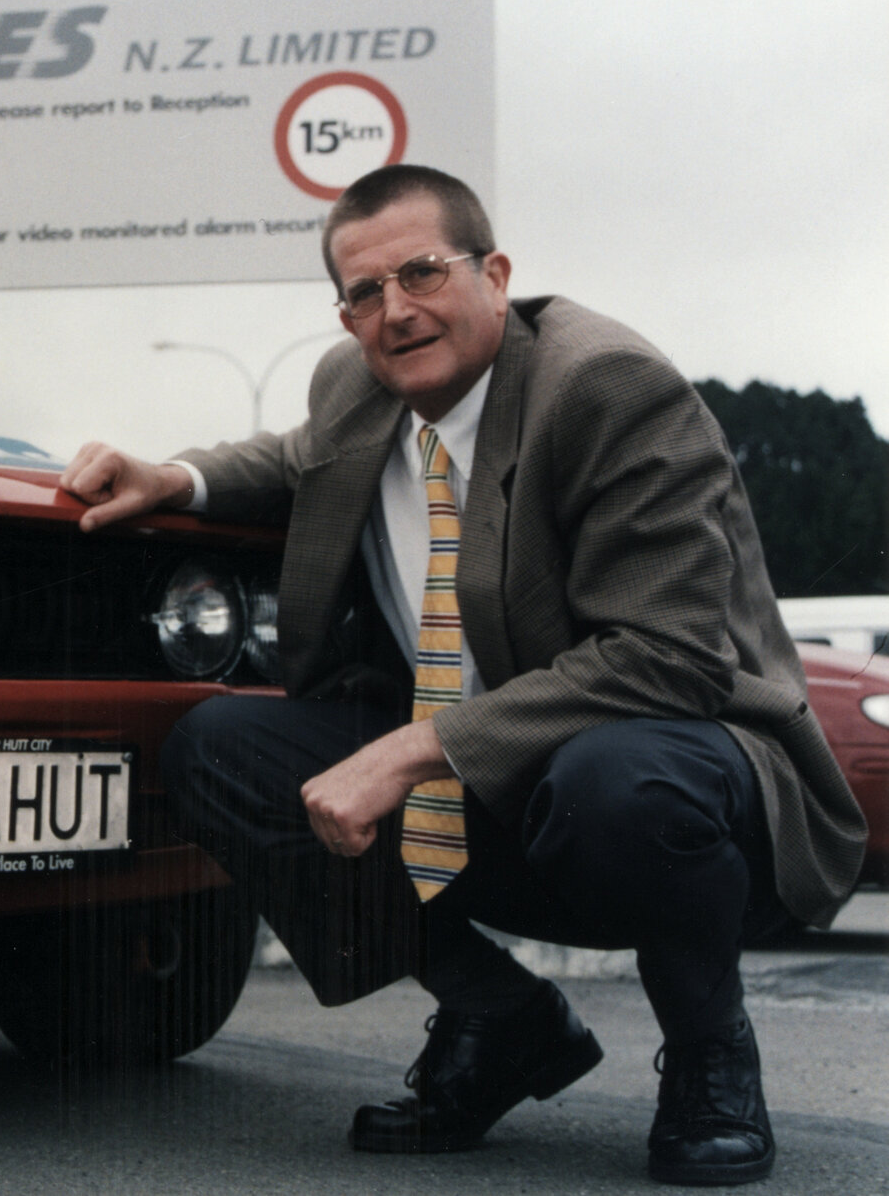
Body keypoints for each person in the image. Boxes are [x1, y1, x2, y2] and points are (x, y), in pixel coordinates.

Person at [60, 165, 865, 1186]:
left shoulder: (607, 389)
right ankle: (499, 1020)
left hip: (689, 787)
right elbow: (298, 458)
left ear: (494, 273)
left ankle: (710, 1056)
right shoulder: (355, 386)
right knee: (223, 748)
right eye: (363, 293)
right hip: (503, 795)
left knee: (618, 776)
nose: (394, 312)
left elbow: (670, 657)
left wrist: (410, 749)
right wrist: (174, 476)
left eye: (421, 273)